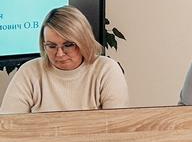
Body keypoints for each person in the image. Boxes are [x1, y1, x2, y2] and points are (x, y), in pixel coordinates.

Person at [0, 6, 129, 114]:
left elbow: (116, 126)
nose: (60, 54)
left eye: (68, 45)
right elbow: (8, 125)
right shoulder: (29, 72)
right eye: (51, 46)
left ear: (83, 41)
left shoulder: (106, 70)